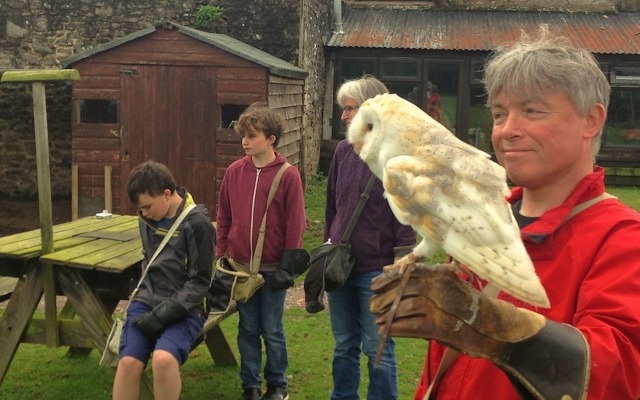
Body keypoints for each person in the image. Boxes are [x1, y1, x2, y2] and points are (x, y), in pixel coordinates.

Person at [369, 25, 640, 399]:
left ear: (591, 120)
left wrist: (496, 329)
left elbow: (619, 370)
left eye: (532, 111)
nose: (507, 130)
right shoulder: (483, 216)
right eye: (499, 114)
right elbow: (441, 371)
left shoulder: (623, 238)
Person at [326, 75, 417, 400]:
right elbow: (332, 207)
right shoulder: (342, 151)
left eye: (349, 108)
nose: (344, 116)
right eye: (344, 109)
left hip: (376, 271)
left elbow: (406, 214)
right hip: (340, 268)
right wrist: (328, 247)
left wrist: (401, 264)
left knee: (377, 348)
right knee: (344, 345)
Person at [215, 103, 306, 400]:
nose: (244, 140)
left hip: (272, 269)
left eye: (252, 135)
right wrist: (221, 255)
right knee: (247, 329)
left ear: (271, 139)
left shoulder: (288, 175)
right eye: (243, 134)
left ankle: (277, 385)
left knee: (273, 329)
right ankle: (250, 386)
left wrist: (287, 265)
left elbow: (296, 223)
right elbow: (224, 215)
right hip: (240, 267)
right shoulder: (233, 172)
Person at [113, 160, 215, 400]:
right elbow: (149, 263)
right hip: (146, 301)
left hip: (185, 309)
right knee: (127, 363)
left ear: (167, 194)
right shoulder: (145, 219)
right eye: (140, 209)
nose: (144, 213)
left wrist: (165, 314)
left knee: (163, 359)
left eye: (147, 207)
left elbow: (201, 282)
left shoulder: (198, 224)